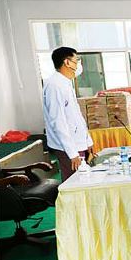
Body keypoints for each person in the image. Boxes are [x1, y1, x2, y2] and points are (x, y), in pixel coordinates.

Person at [42, 46, 94, 182]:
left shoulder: (65, 81)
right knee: (74, 183)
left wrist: (87, 141)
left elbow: (76, 117)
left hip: (77, 142)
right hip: (68, 148)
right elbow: (58, 122)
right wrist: (72, 153)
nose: (78, 65)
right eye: (76, 60)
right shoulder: (54, 86)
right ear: (67, 62)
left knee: (84, 180)